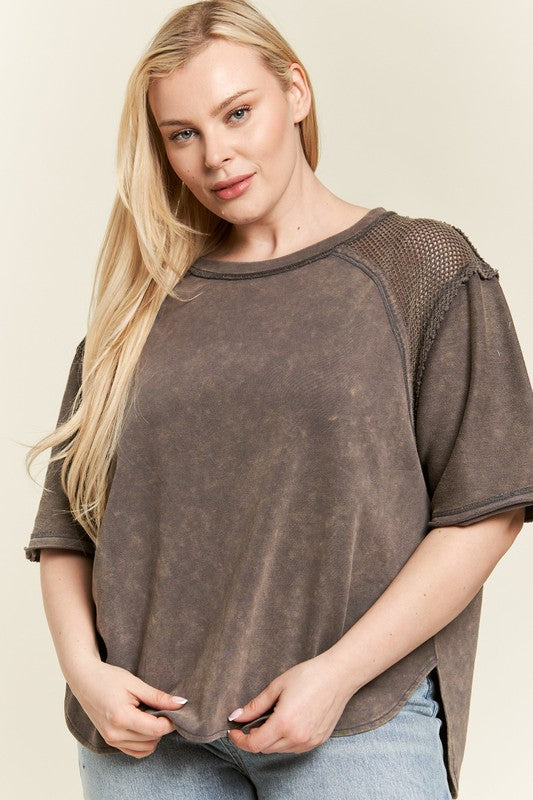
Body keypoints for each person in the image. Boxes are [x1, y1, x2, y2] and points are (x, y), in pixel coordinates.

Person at [24, 1, 533, 799]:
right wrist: (86, 675)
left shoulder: (419, 267)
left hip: (353, 723)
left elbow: (485, 509)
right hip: (148, 743)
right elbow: (67, 528)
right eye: (182, 133)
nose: (215, 155)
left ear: (295, 90)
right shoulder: (140, 309)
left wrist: (336, 675)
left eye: (237, 113)